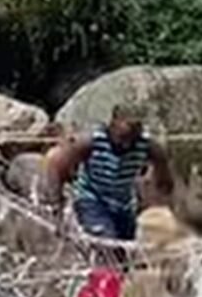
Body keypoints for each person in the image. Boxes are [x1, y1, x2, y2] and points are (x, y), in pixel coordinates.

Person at [43, 102, 174, 241]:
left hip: (123, 203)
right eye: (127, 131)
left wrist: (158, 208)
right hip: (91, 198)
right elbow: (56, 165)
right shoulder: (90, 141)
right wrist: (57, 210)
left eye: (137, 130)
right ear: (113, 123)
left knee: (124, 250)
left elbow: (164, 180)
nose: (128, 143)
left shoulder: (148, 146)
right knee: (105, 242)